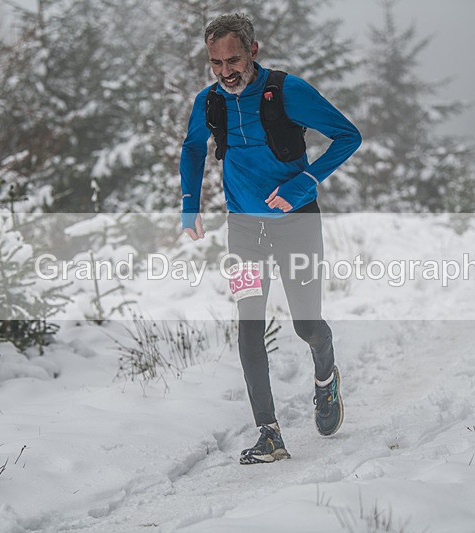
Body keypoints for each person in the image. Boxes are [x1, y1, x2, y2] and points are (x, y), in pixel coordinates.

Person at [179, 14, 361, 465]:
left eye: (233, 59)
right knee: (249, 327)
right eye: (216, 63)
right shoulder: (209, 102)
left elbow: (347, 135)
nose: (226, 71)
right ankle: (269, 434)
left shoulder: (286, 91)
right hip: (243, 228)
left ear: (253, 50)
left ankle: (325, 376)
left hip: (296, 222)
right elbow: (192, 147)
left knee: (306, 324)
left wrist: (306, 182)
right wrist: (189, 202)